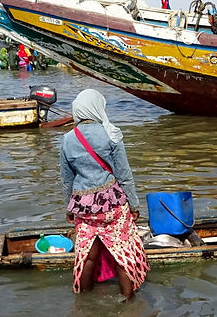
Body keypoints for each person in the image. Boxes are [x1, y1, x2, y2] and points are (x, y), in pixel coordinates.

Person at [59, 89, 148, 299]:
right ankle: (128, 300)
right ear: (98, 107)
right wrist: (134, 205)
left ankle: (83, 300)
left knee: (88, 255)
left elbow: (66, 180)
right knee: (121, 253)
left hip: (83, 206)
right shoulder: (111, 134)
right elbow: (124, 175)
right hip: (112, 204)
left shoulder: (67, 139)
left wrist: (68, 208)